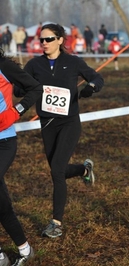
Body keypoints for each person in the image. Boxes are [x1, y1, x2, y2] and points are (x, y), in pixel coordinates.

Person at [14, 23, 104, 239]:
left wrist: (90, 88)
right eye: (41, 40)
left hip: (69, 123)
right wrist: (18, 81)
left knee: (56, 170)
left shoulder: (73, 62)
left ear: (61, 40)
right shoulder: (34, 64)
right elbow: (19, 90)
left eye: (49, 39)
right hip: (47, 124)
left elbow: (97, 78)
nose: (44, 43)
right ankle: (84, 170)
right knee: (59, 170)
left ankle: (56, 223)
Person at [0, 46, 42, 265]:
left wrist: (16, 111)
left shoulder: (4, 67)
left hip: (3, 141)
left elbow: (35, 88)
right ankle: (22, 251)